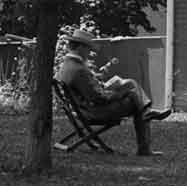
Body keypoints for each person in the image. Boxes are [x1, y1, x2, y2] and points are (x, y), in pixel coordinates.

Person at [57, 28, 169, 156]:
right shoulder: (79, 69)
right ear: (80, 48)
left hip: (84, 109)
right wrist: (118, 93)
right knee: (133, 96)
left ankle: (146, 111)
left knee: (130, 84)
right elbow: (98, 98)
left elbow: (90, 92)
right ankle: (145, 141)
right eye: (88, 48)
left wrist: (108, 87)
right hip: (95, 112)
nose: (89, 52)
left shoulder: (68, 65)